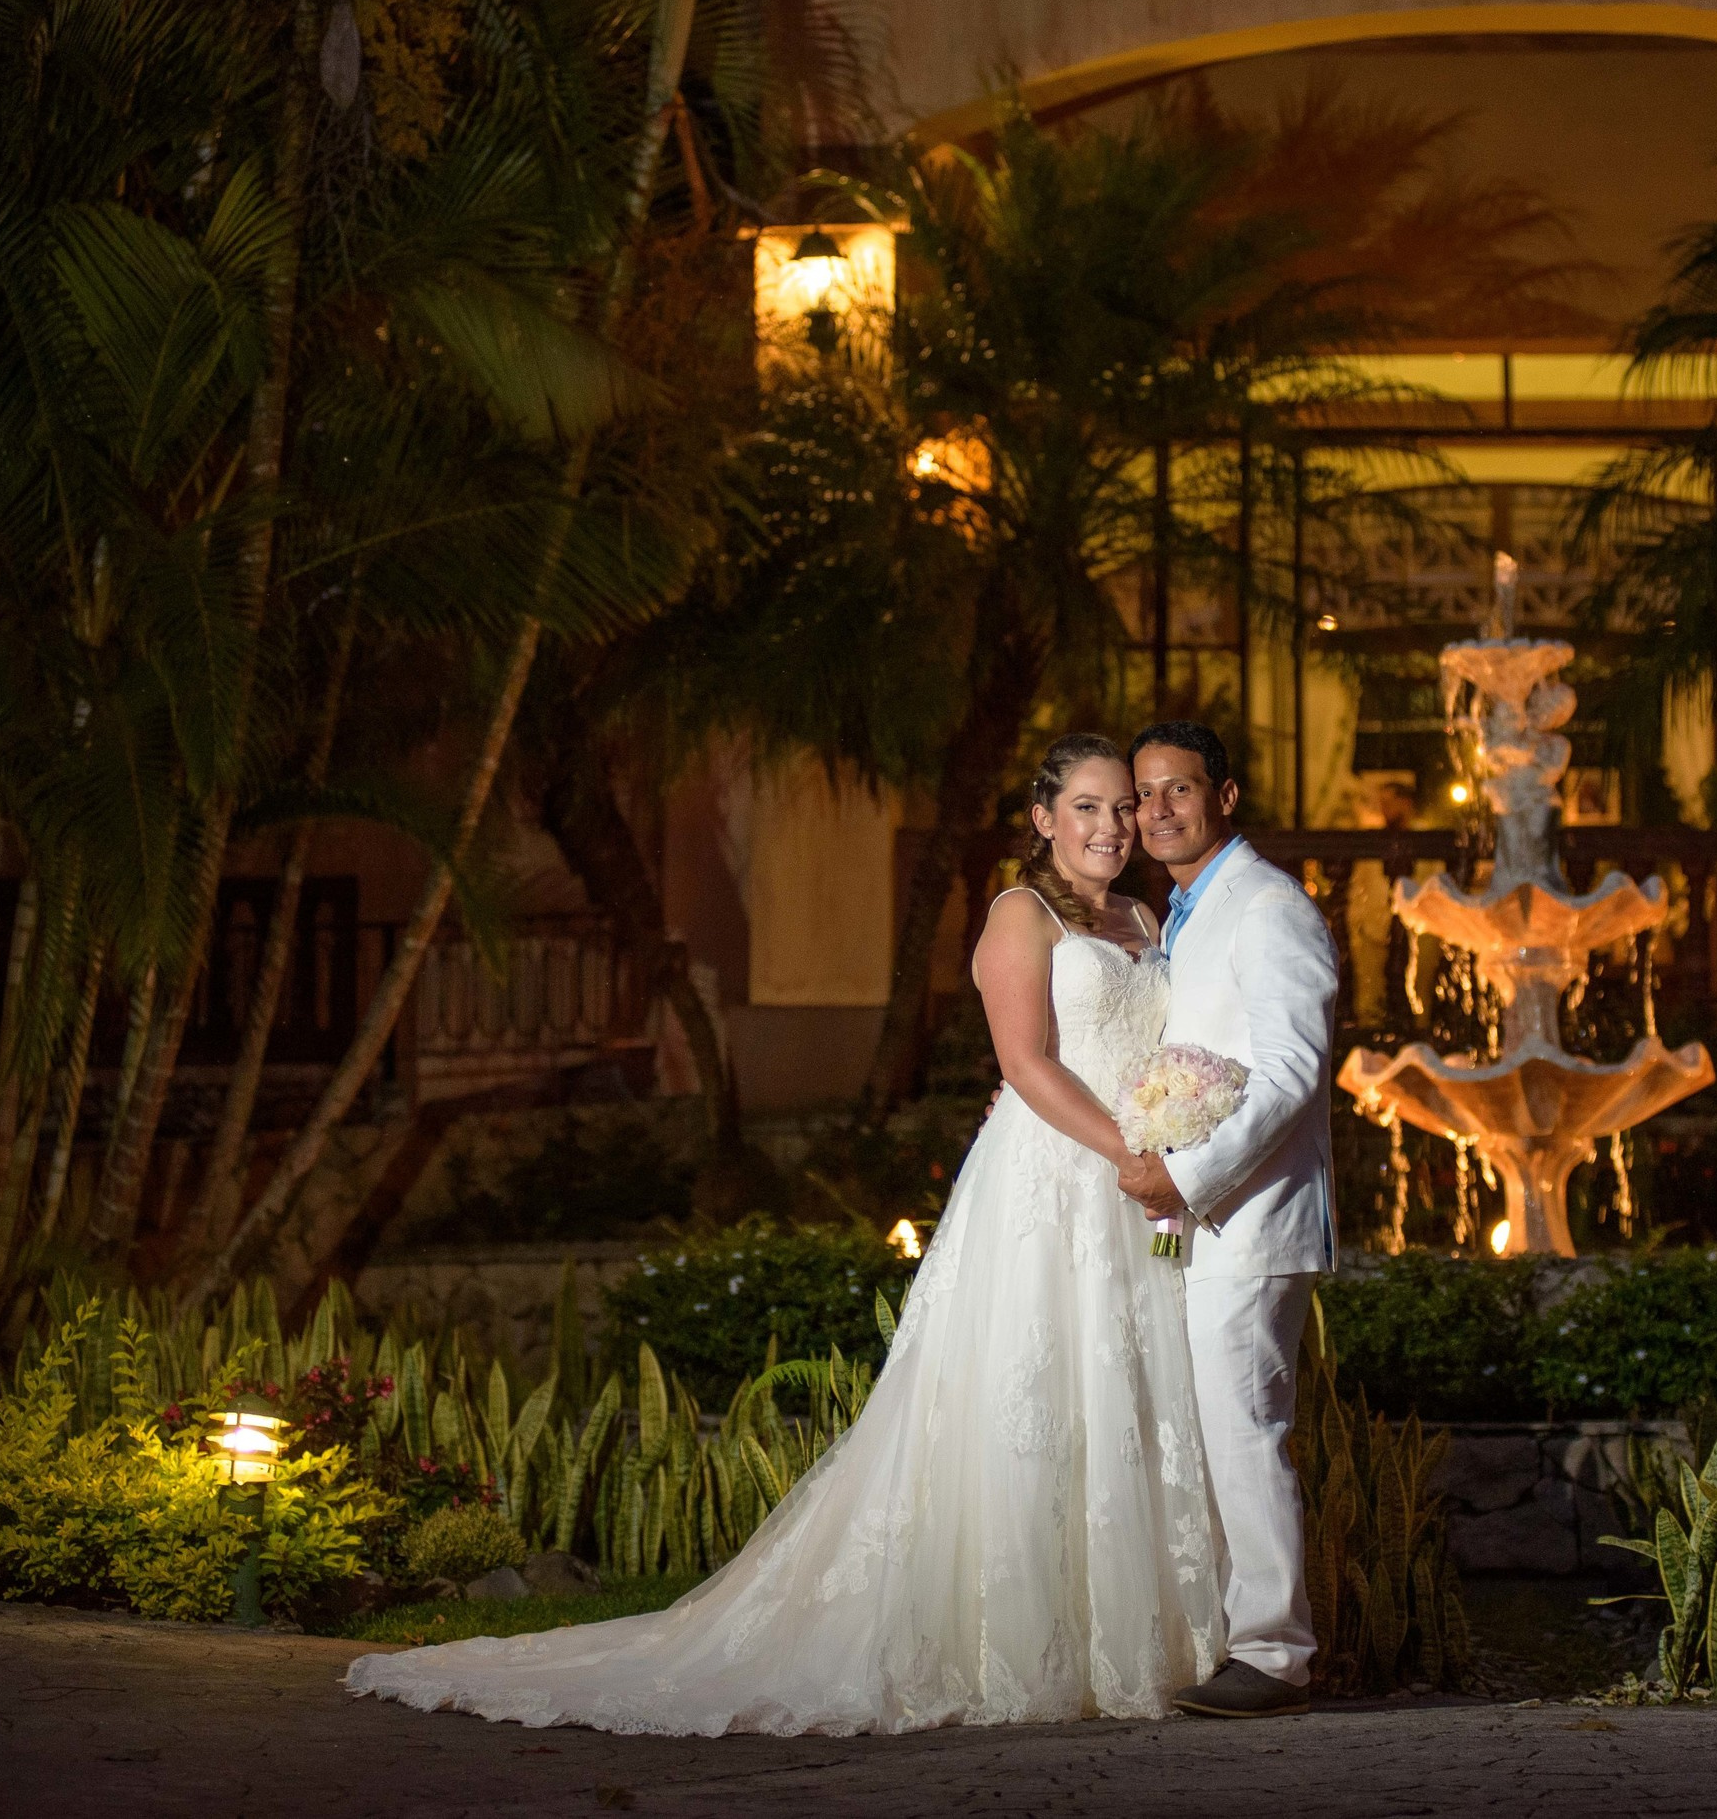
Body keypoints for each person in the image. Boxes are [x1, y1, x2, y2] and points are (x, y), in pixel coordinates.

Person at [344, 735, 1225, 1736]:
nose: (1110, 826)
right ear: (1042, 816)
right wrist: (1130, 1150)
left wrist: (1171, 1138)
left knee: (1121, 1393)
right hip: (1057, 1179)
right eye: (1088, 807)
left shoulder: (1144, 915)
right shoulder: (1016, 917)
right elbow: (1024, 1063)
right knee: (1026, 1395)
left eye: (1121, 809)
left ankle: (1130, 1634)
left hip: (1131, 1187)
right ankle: (1008, 1640)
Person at [1121, 720, 1339, 1720]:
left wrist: (1191, 1172)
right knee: (1215, 1427)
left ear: (1227, 794)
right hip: (1202, 1220)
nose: (1158, 809)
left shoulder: (1269, 906)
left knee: (1246, 1426)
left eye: (1179, 788)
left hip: (1250, 1218)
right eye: (1145, 794)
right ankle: (1236, 1636)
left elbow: (1294, 1067)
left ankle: (1275, 1653)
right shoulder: (1186, 910)